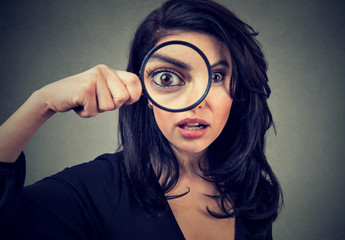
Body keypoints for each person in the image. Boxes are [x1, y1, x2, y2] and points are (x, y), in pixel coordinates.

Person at [0, 0, 282, 239]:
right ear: (144, 91)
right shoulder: (94, 190)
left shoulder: (251, 191)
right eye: (168, 77)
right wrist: (40, 103)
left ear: (238, 88)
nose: (197, 102)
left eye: (217, 76)